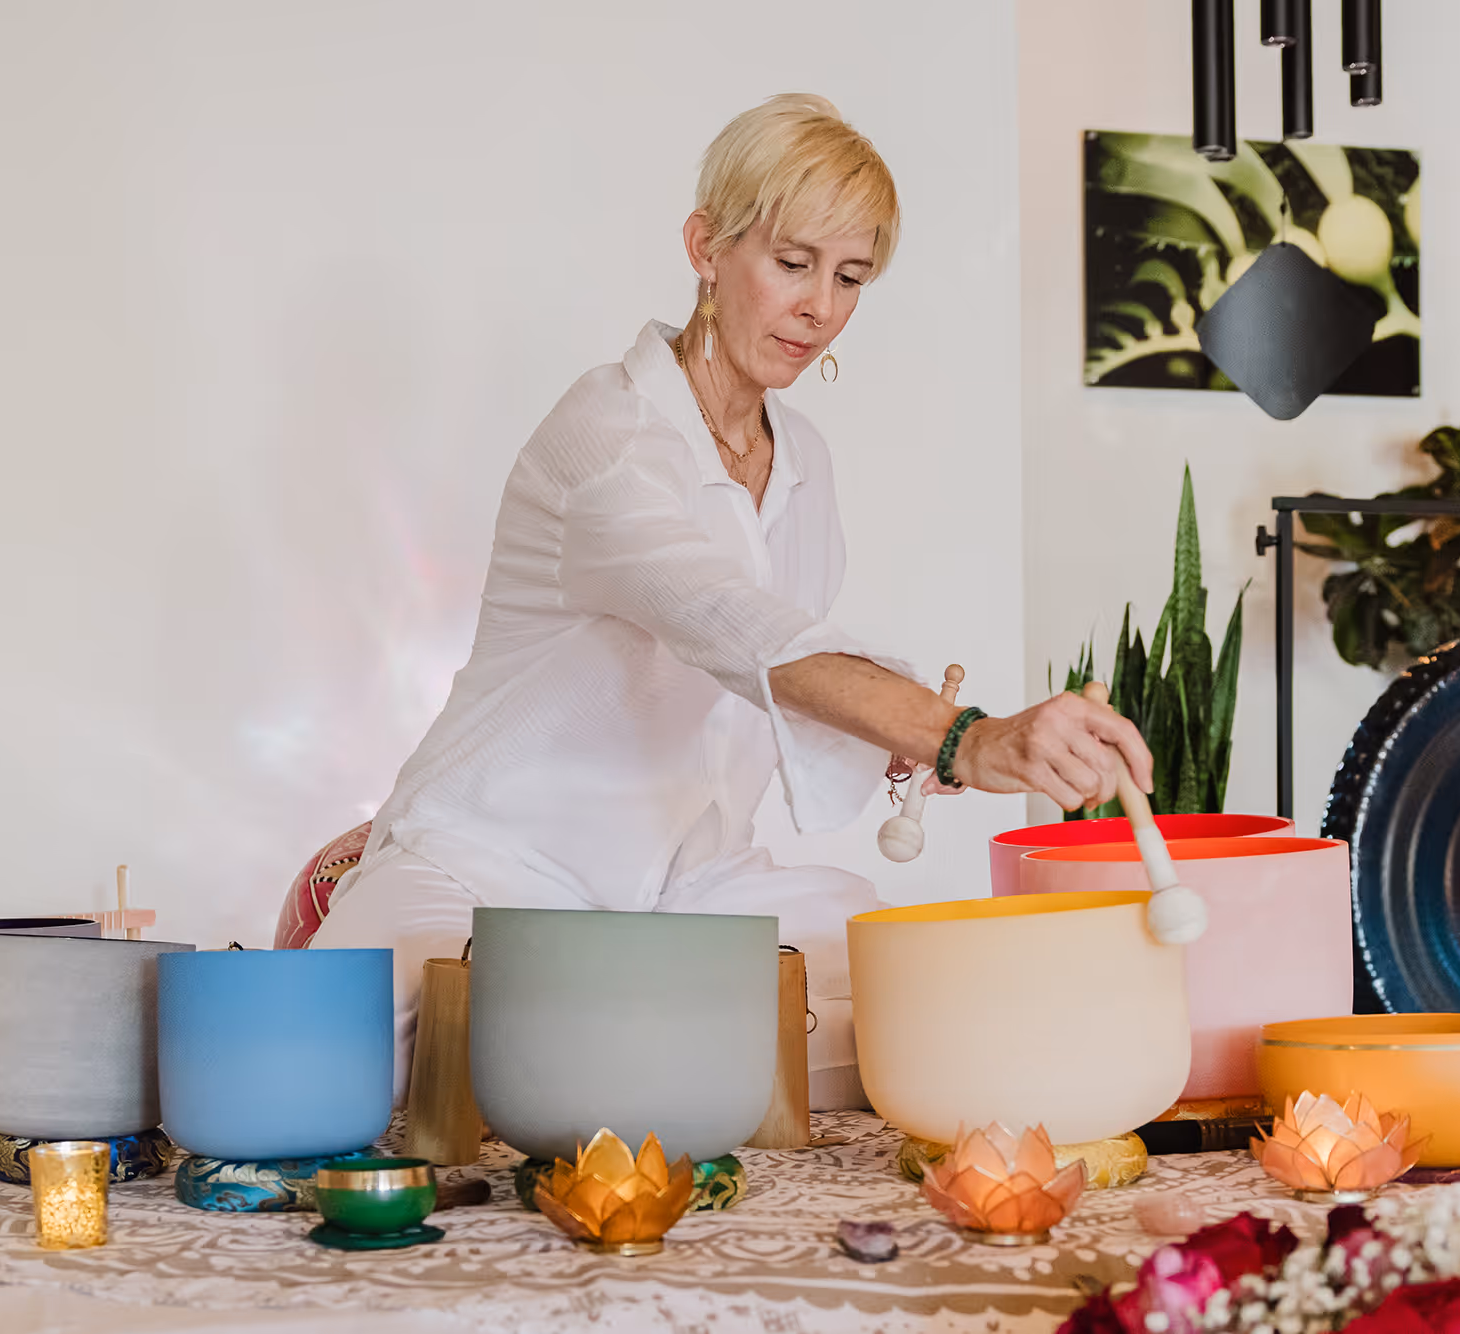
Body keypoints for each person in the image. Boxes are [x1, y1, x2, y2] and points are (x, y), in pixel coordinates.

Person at [309, 94, 1153, 1108]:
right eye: (793, 262)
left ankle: (639, 1061)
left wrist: (883, 729)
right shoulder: (608, 439)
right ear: (705, 245)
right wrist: (961, 736)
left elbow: (762, 679)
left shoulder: (802, 462)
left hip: (687, 887)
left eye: (850, 277)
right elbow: (725, 622)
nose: (819, 307)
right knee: (370, 1055)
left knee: (918, 999)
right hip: (488, 866)